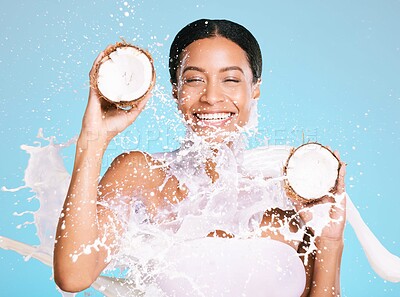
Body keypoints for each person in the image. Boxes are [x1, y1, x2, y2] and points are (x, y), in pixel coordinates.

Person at [53, 19, 347, 297]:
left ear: (254, 89)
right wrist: (93, 140)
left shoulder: (290, 190)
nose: (211, 97)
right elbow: (73, 275)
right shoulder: (140, 174)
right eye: (194, 80)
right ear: (175, 90)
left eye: (231, 79)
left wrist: (330, 240)